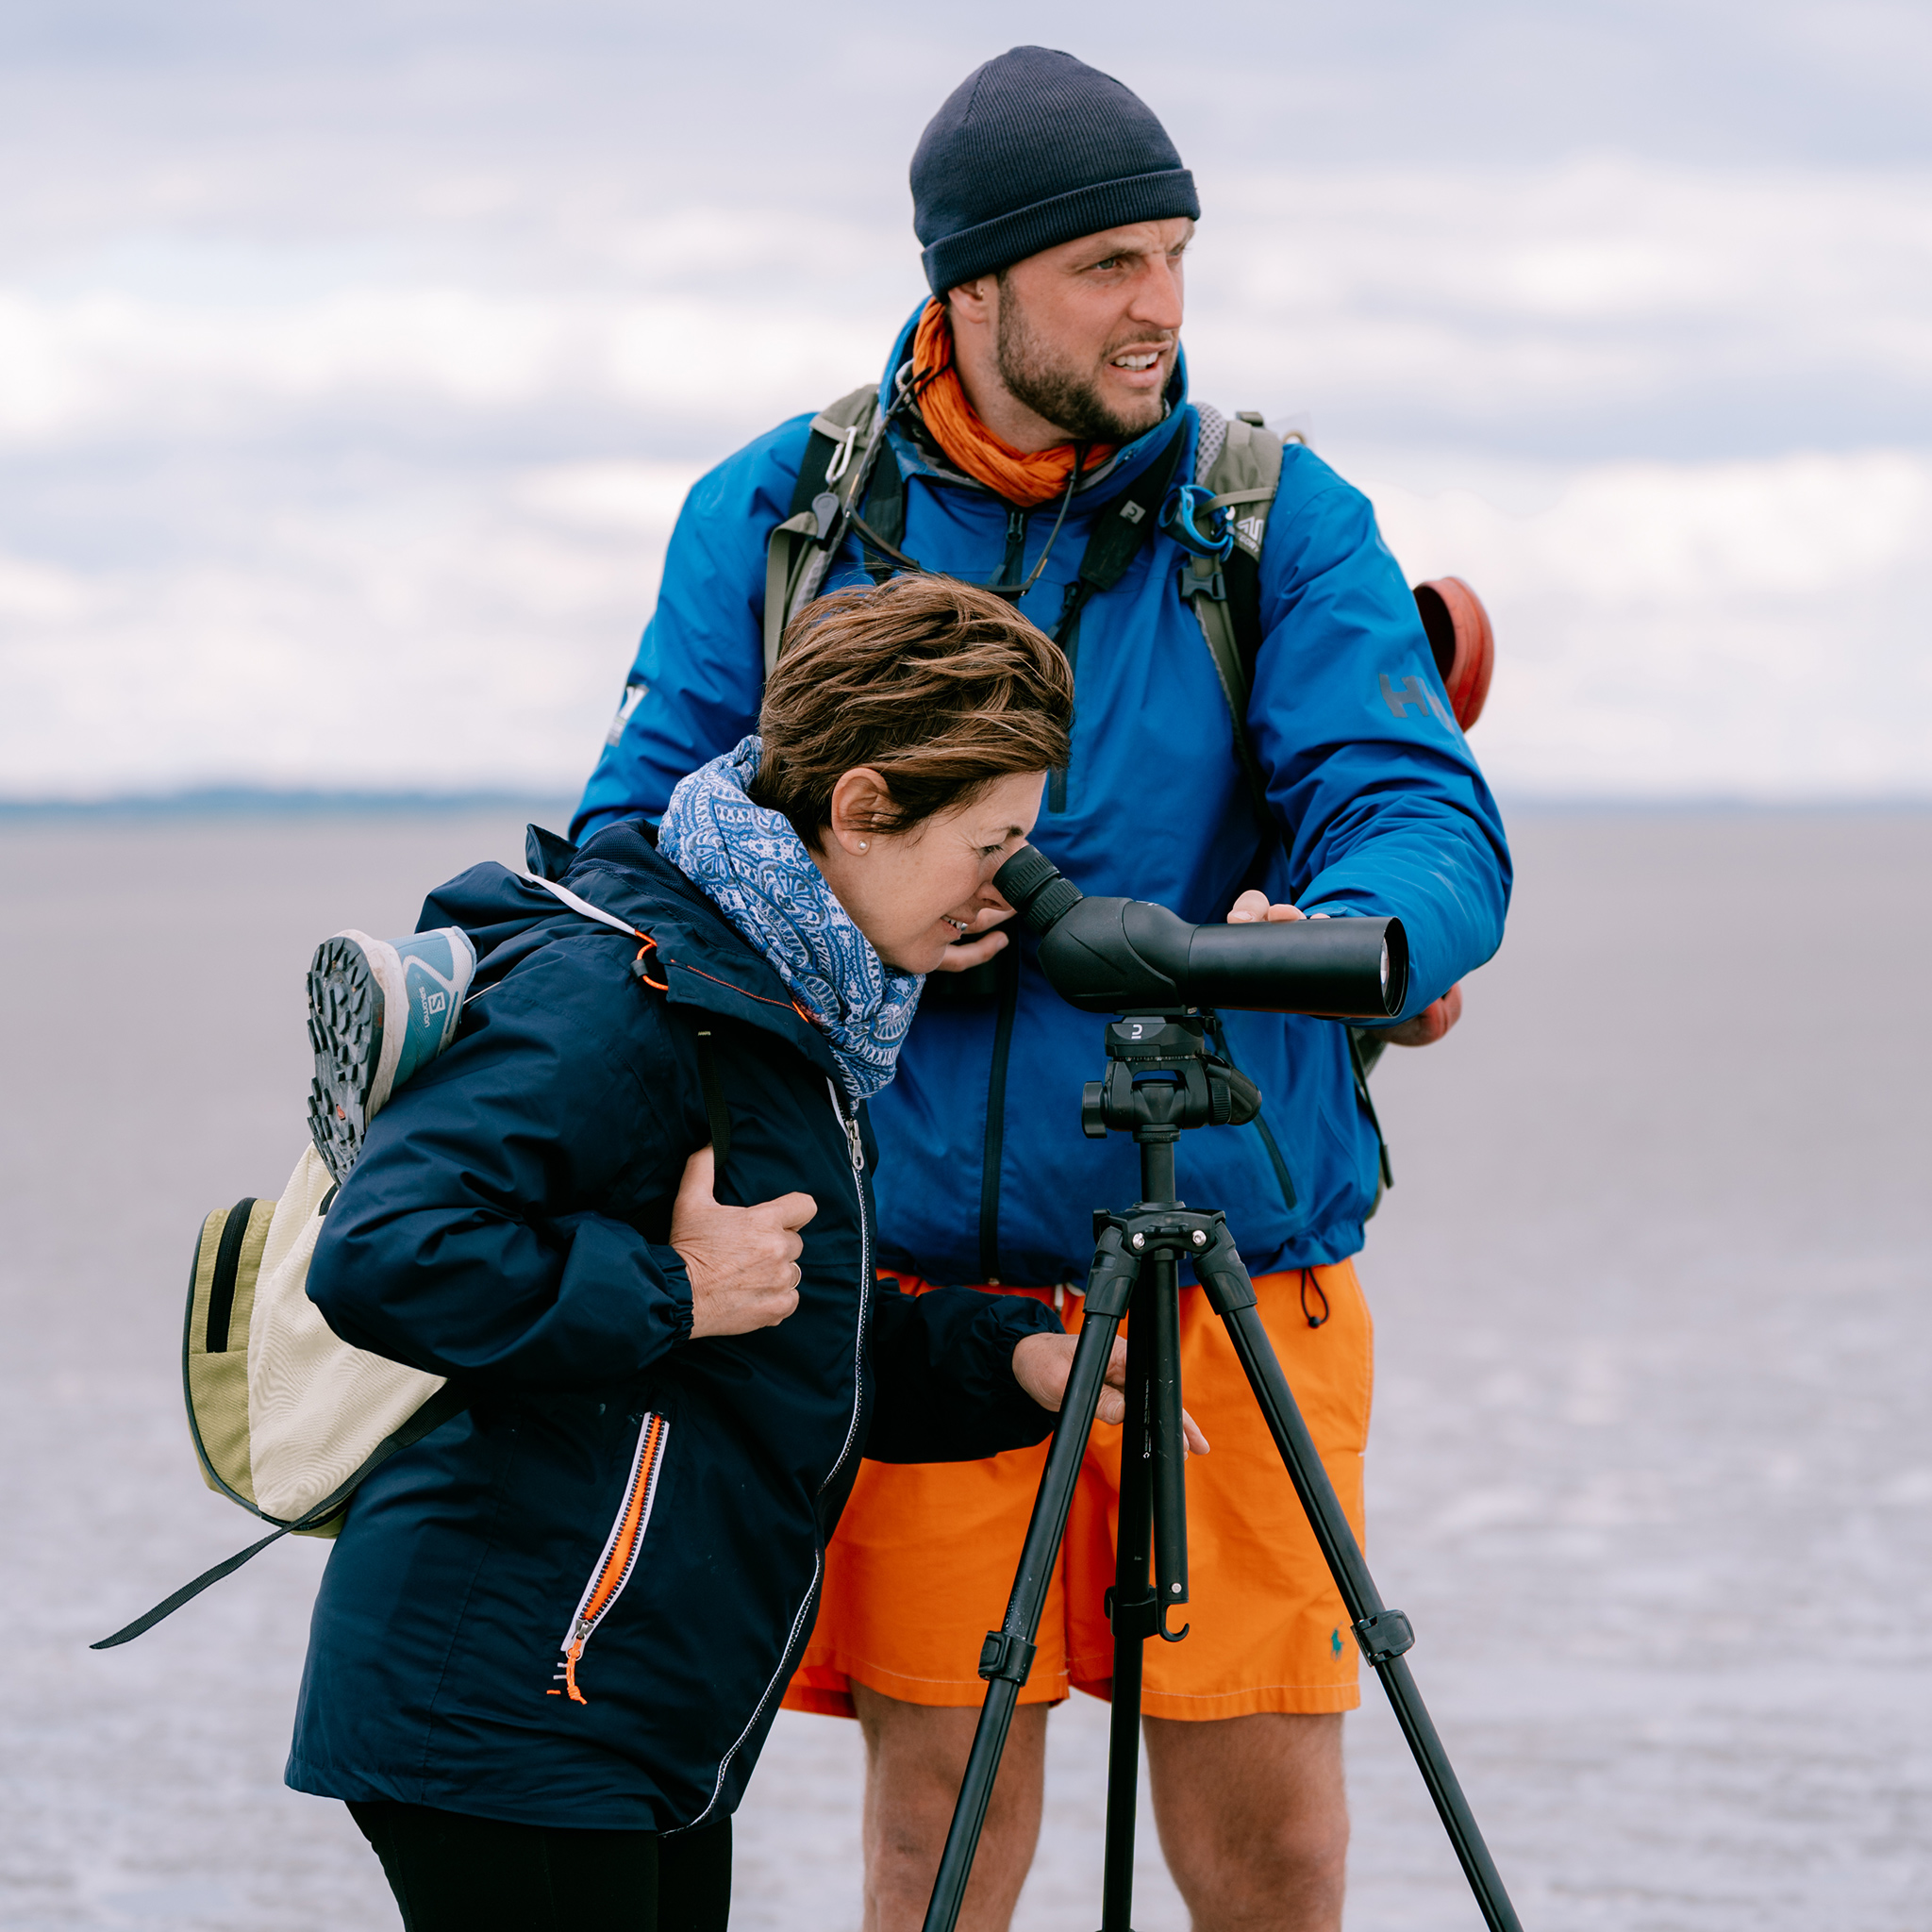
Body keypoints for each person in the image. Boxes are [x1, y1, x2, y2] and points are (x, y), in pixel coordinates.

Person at [573, 47, 1510, 1932]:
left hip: (1241, 1265)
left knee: (1270, 1837)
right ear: (970, 284)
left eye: (1173, 254)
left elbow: (1421, 810)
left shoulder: (1274, 520)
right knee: (939, 1822)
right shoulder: (783, 515)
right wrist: (841, 917)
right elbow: (624, 859)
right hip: (915, 1283)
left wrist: (1349, 936)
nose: (1159, 304)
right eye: (1104, 263)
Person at [286, 576, 1200, 1932]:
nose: (1005, 886)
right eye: (988, 840)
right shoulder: (623, 994)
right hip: (507, 1705)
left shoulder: (784, 1009)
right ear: (864, 806)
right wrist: (674, 1288)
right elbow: (386, 1253)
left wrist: (1016, 1363)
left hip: (631, 1702)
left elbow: (783, 1326)